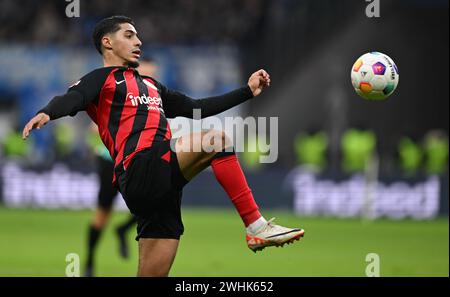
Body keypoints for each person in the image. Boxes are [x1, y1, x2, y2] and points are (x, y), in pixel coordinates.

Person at [22, 16, 304, 277]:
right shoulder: (101, 79)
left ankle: (255, 229)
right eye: (129, 35)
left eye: (138, 37)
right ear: (107, 42)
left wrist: (247, 91)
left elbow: (196, 107)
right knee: (216, 140)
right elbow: (74, 97)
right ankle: (256, 226)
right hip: (140, 166)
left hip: (162, 187)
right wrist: (48, 112)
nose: (138, 42)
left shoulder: (152, 86)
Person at [84, 59, 159, 277]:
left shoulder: (154, 96)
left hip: (138, 160)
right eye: (146, 72)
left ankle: (123, 230)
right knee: (102, 214)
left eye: (153, 74)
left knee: (152, 205)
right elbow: (93, 125)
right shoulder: (120, 91)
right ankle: (89, 262)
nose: (149, 78)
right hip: (110, 162)